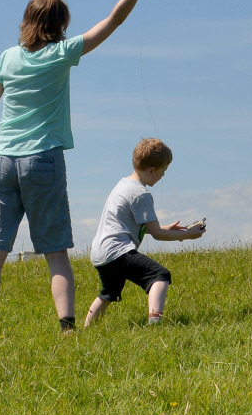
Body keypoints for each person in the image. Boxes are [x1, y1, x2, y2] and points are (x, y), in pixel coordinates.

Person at [0, 0, 164, 336]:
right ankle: (67, 329)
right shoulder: (62, 53)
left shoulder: (7, 57)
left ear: (27, 21)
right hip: (42, 159)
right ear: (60, 25)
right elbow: (115, 19)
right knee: (55, 252)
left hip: (2, 159)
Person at [83, 137, 208, 328]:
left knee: (109, 292)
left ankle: (87, 329)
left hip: (101, 252)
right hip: (118, 251)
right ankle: (155, 323)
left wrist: (167, 228)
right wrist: (188, 235)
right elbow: (157, 234)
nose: (163, 176)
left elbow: (135, 225)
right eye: (163, 172)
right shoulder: (141, 194)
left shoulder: (123, 184)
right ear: (151, 170)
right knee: (159, 275)